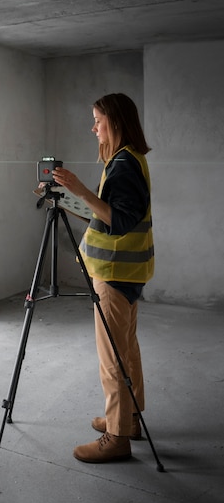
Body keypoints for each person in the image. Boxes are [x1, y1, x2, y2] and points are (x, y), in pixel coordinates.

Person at [51, 92, 154, 463]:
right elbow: (109, 215)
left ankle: (117, 437)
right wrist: (74, 201)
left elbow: (121, 220)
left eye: (98, 120)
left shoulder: (123, 163)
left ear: (115, 121)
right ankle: (129, 420)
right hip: (126, 272)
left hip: (113, 274)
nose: (93, 127)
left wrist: (79, 190)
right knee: (126, 349)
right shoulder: (129, 160)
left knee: (113, 358)